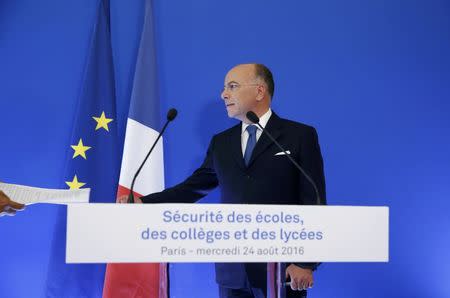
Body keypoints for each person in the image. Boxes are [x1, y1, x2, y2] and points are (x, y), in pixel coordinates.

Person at [119, 63, 326, 298]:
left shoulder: (300, 136)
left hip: (282, 268)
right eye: (224, 88)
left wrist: (306, 262)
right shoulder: (221, 142)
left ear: (260, 91)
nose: (224, 94)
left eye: (233, 86)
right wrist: (144, 203)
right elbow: (193, 187)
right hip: (233, 269)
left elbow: (314, 199)